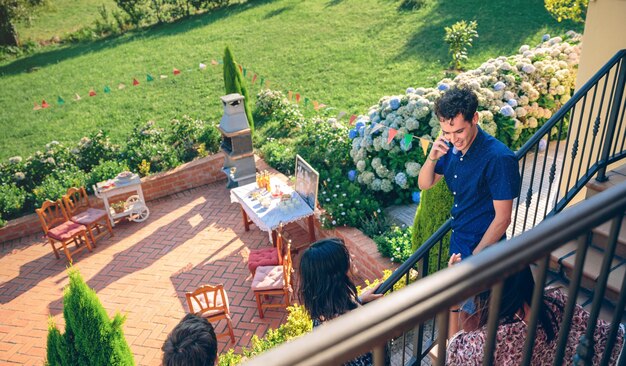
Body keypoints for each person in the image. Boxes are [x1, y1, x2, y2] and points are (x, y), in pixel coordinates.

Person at [418, 87, 521, 334]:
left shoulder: (498, 158)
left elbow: (503, 219)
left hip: (483, 251)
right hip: (459, 244)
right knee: (459, 318)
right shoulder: (450, 147)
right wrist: (432, 156)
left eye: (459, 131)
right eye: (447, 132)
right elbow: (425, 184)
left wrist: (475, 256)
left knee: (473, 324)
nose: (454, 138)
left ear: (475, 118)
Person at [446, 266, 625, 365]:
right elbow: (595, 328)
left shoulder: (490, 340)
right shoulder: (553, 300)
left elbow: (453, 355)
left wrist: (453, 303)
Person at [298, 238, 383, 366]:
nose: (353, 256)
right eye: (347, 256)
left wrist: (358, 299)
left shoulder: (324, 309)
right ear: (336, 272)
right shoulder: (353, 324)